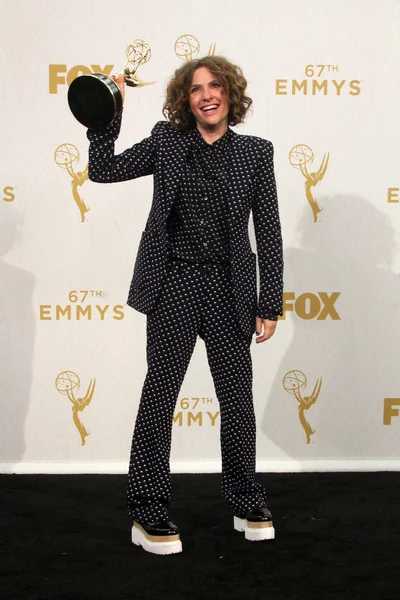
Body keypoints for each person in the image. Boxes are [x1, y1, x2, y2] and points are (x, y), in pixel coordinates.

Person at [86, 55, 284, 555]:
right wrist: (105, 115)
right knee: (160, 396)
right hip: (173, 282)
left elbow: (270, 232)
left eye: (215, 86)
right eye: (196, 89)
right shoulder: (168, 141)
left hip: (229, 288)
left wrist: (270, 302)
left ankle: (245, 499)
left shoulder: (257, 154)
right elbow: (104, 170)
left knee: (238, 400)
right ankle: (147, 509)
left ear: (230, 93)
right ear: (185, 100)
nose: (207, 95)